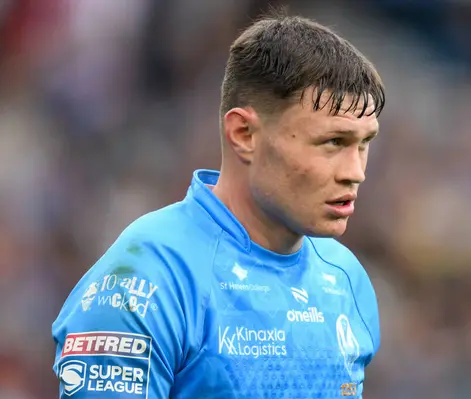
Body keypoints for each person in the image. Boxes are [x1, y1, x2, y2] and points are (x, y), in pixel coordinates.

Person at [52, 11, 385, 399]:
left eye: (364, 144)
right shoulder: (145, 278)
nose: (356, 172)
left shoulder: (346, 279)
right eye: (333, 143)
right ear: (243, 134)